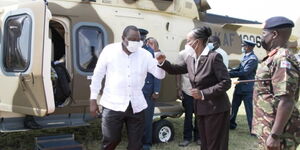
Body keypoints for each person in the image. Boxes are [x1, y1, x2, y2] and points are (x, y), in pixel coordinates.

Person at [89, 25, 165, 150]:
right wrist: (93, 100)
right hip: (112, 104)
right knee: (111, 140)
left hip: (136, 106)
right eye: (132, 39)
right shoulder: (109, 51)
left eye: (138, 40)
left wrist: (159, 59)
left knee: (136, 145)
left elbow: (159, 74)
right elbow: (97, 75)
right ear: (123, 38)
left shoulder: (145, 54)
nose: (135, 43)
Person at [157, 26, 231, 150]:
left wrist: (203, 93)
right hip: (201, 108)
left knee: (215, 144)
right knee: (205, 143)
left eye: (188, 41)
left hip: (216, 109)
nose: (186, 44)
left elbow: (226, 82)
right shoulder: (191, 58)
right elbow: (176, 69)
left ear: (197, 42)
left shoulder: (214, 57)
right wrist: (163, 62)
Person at [252, 16, 300, 150]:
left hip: (280, 134)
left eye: (263, 33)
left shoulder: (282, 58)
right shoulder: (273, 57)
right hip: (268, 127)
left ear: (274, 34)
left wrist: (274, 136)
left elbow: (287, 100)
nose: (261, 37)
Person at [229, 39, 258, 133]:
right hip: (240, 86)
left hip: (247, 88)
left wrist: (229, 75)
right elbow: (238, 68)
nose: (242, 48)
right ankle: (231, 124)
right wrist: (228, 72)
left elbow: (245, 72)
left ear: (249, 47)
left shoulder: (252, 59)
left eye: (244, 46)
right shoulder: (245, 57)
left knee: (249, 109)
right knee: (234, 107)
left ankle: (253, 129)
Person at [139, 29, 161, 150]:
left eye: (142, 39)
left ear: (145, 40)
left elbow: (158, 71)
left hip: (148, 90)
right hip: (134, 91)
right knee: (135, 119)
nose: (139, 41)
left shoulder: (152, 52)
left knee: (147, 118)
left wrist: (156, 90)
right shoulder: (131, 52)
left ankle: (146, 143)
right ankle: (136, 141)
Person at [176, 45, 201, 147]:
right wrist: (179, 88)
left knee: (199, 115)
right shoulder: (182, 54)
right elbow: (177, 71)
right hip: (187, 90)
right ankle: (187, 138)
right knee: (188, 116)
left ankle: (198, 137)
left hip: (199, 91)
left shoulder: (201, 54)